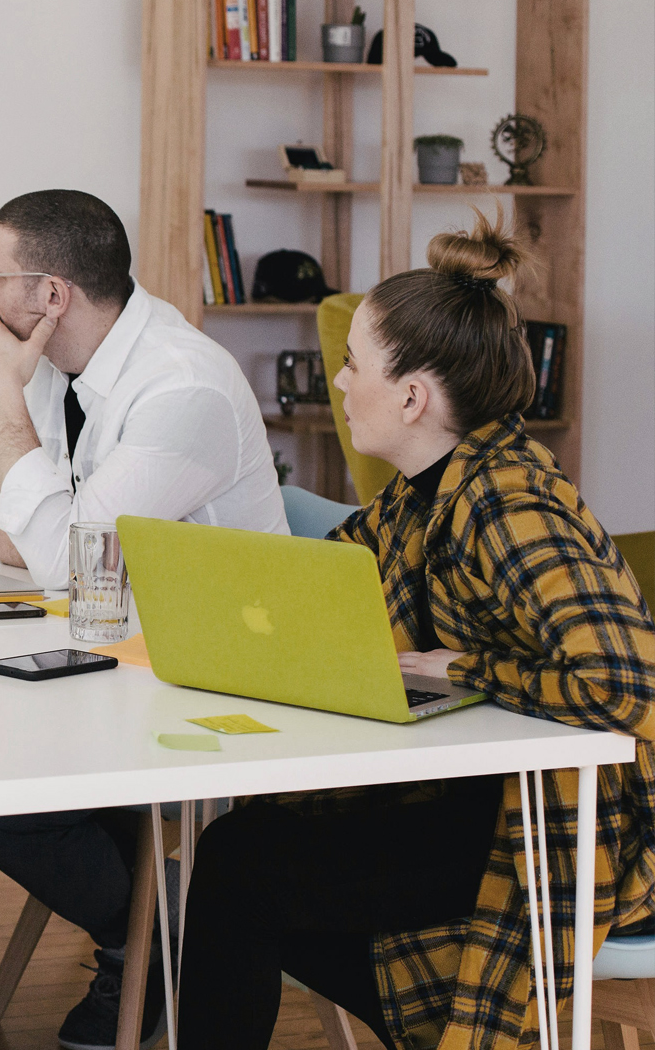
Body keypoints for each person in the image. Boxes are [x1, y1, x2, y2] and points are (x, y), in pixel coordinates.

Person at [176, 211, 655, 1048]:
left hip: (557, 823)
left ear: (412, 395)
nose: (337, 380)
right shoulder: (419, 493)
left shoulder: (508, 502)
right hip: (472, 793)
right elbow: (322, 581)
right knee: (248, 858)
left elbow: (627, 682)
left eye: (352, 365)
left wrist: (466, 667)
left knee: (240, 868)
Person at [0, 191, 287, 1050]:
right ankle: (146, 920)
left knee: (6, 786)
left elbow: (61, 553)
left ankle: (150, 940)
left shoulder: (184, 388)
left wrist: (5, 413)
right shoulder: (51, 367)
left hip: (199, 666)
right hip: (95, 641)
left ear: (49, 295)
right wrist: (50, 524)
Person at [0, 189, 287, 586]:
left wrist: (2, 399)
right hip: (111, 628)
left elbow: (71, 564)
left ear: (54, 296)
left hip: (221, 640)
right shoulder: (38, 356)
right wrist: (43, 546)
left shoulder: (185, 388)